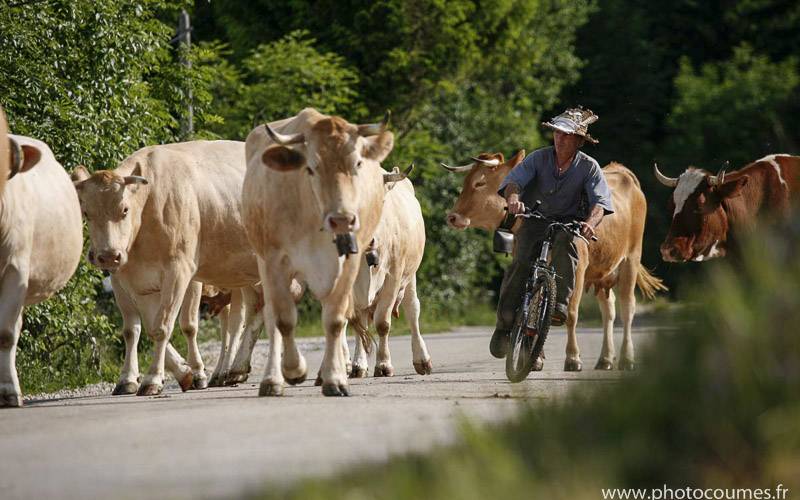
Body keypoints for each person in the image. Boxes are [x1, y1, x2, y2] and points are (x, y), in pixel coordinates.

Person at [490, 107, 614, 359]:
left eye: (567, 135)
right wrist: (513, 198)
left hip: (568, 223)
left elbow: (600, 203)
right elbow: (514, 181)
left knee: (569, 246)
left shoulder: (589, 167)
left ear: (579, 141)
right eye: (557, 133)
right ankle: (504, 324)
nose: (560, 138)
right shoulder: (538, 158)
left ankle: (559, 306)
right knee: (521, 262)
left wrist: (590, 223)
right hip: (535, 218)